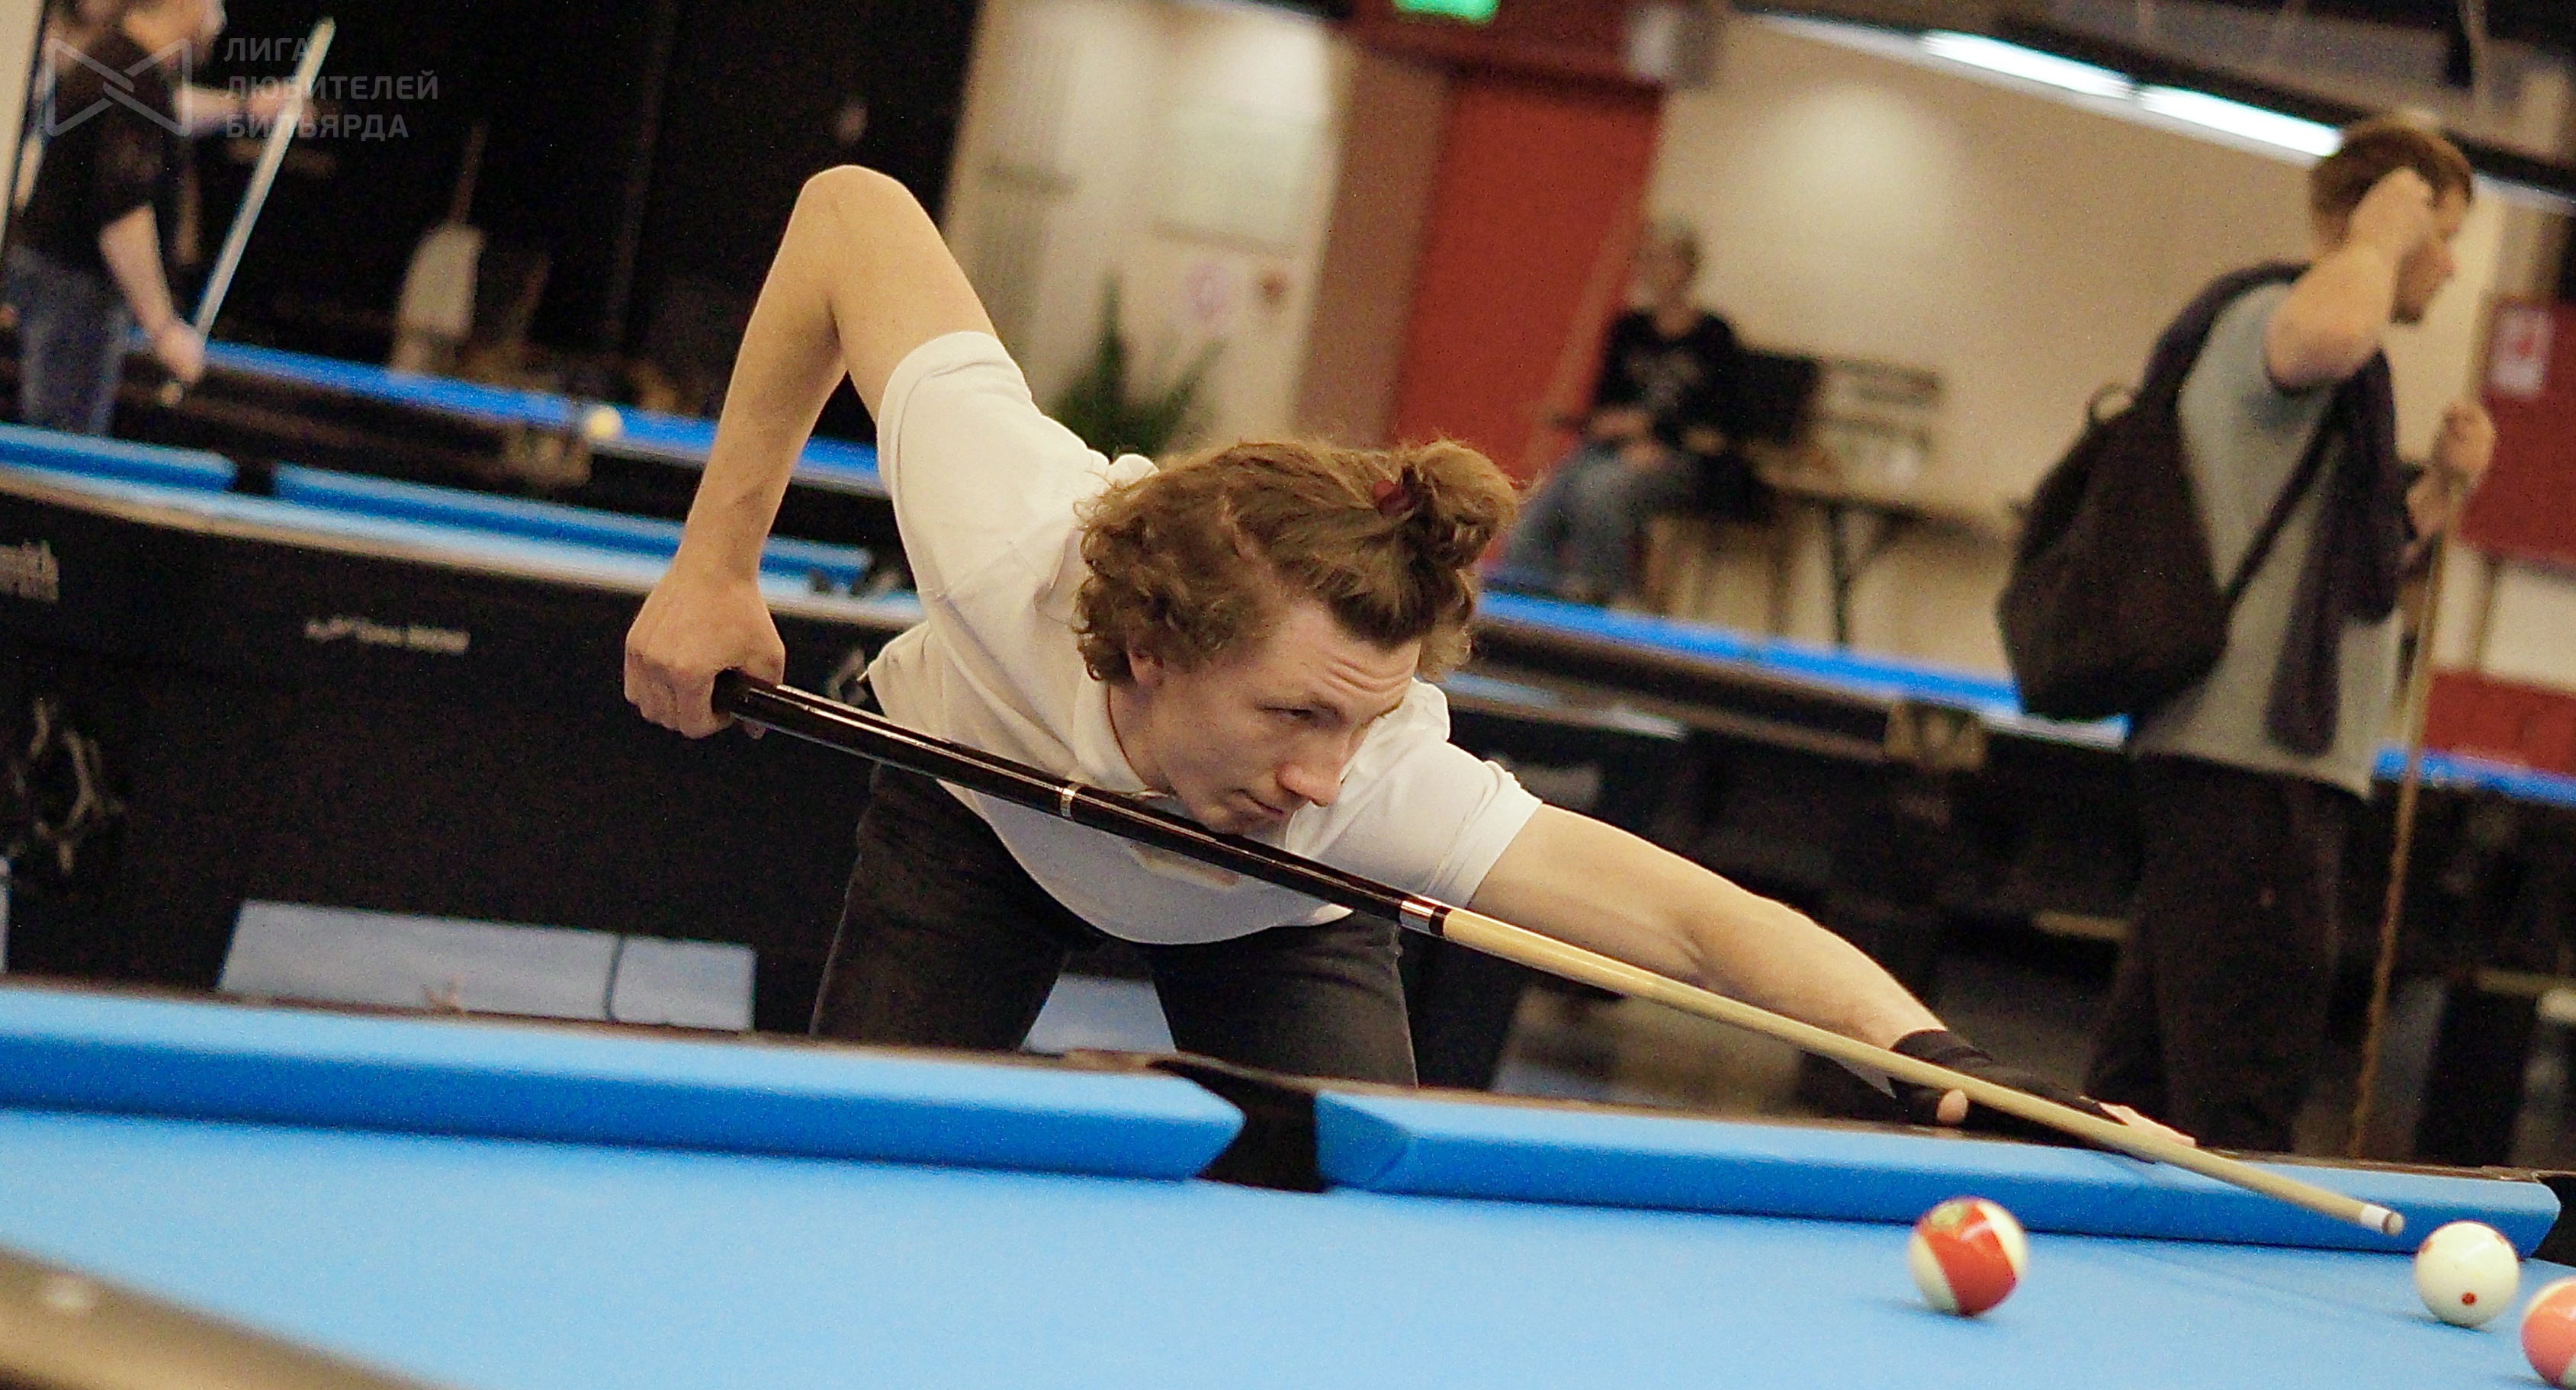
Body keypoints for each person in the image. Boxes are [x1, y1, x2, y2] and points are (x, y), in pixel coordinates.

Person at [622, 165, 2164, 1141]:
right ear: (1147, 648)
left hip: (1274, 916)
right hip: (980, 818)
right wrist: (714, 566)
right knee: (858, 1158)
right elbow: (849, 212)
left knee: (1359, 1222)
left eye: (1359, 724)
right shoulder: (1007, 533)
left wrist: (1938, 1060)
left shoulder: (1364, 785)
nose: (1324, 771)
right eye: (1294, 712)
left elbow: (1702, 925)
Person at [2081, 116, 2499, 1152]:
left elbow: (2347, 563)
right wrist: (2375, 238)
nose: (2447, 266)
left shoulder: (2319, 366)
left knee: (2144, 1082)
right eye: (2441, 236)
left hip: (2251, 768)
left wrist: (2439, 491)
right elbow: (2330, 334)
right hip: (2250, 771)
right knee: (2239, 1093)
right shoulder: (2280, 319)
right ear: (2385, 217)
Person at [2, 0, 235, 432]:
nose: (219, 20)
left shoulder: (122, 63)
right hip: (75, 294)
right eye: (213, 4)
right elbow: (122, 216)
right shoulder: (133, 77)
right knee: (65, 450)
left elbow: (173, 112)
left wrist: (248, 107)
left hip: (62, 285)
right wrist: (164, 329)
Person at [1486, 220, 1739, 606]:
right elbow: (1605, 402)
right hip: (1606, 450)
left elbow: (1719, 423)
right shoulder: (1627, 329)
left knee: (1600, 491)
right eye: (1645, 259)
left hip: (1677, 457)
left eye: (1661, 259)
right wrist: (1605, 423)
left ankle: (1605, 600)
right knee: (1535, 511)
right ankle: (1530, 602)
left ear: (1687, 267)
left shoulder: (1715, 337)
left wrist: (1655, 434)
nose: (1650, 270)